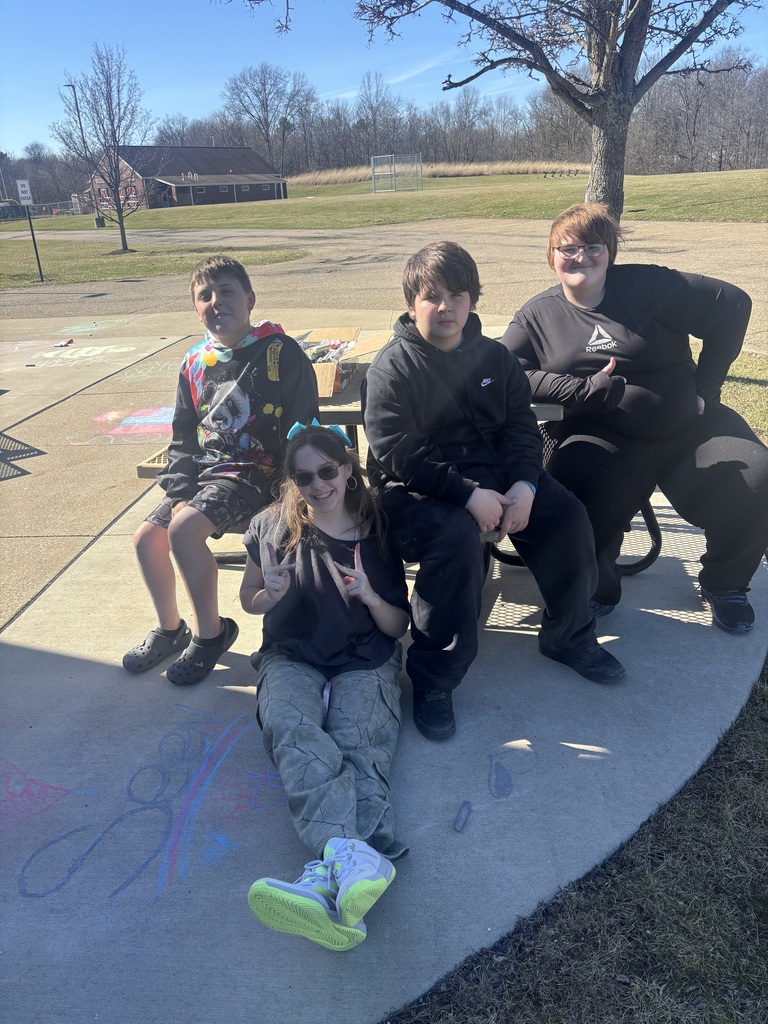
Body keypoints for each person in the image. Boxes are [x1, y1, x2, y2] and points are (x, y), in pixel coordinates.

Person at [362, 241, 625, 744]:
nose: (446, 307)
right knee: (456, 536)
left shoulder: (496, 358)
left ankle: (568, 635)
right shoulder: (391, 368)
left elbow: (521, 431)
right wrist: (467, 496)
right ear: (411, 302)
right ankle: (435, 679)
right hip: (417, 492)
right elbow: (398, 453)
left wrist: (525, 485)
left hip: (500, 481)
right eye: (432, 296)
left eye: (457, 295)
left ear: (473, 300)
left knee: (566, 514)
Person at [501, 203, 768, 635]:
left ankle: (726, 584)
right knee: (573, 491)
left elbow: (733, 305)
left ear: (610, 252)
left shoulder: (651, 284)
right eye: (567, 248)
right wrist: (580, 390)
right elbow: (504, 371)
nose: (581, 256)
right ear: (551, 256)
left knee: (757, 476)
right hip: (601, 431)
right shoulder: (538, 315)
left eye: (593, 246)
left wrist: (708, 385)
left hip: (687, 428)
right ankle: (597, 587)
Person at [240, 422, 410, 951]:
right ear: (292, 480)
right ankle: (352, 858)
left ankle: (325, 875)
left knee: (357, 741)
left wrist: (371, 597)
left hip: (365, 656)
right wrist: (267, 594)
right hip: (292, 656)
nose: (318, 485)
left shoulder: (376, 529)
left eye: (327, 471)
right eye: (304, 475)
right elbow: (248, 602)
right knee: (293, 728)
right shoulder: (270, 528)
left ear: (348, 467)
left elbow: (397, 627)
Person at [123, 255, 319, 685]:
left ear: (249, 299)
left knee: (183, 531)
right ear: (195, 308)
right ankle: (171, 629)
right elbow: (183, 435)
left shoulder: (279, 352)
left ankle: (212, 635)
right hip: (208, 475)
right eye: (204, 296)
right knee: (146, 539)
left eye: (226, 292)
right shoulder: (193, 362)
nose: (216, 302)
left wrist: (294, 487)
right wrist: (177, 491)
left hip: (258, 473)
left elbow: (303, 424)